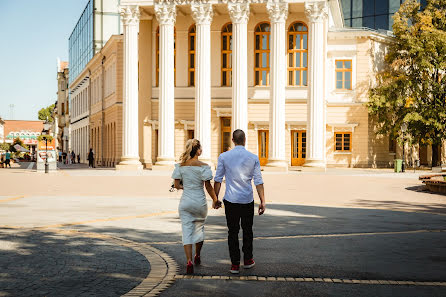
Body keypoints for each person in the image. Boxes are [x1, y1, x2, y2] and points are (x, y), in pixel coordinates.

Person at [214, 129, 266, 274]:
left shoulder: (224, 157)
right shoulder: (253, 157)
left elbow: (218, 179)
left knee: (233, 232)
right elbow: (258, 181)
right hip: (247, 200)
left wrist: (215, 198)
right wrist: (262, 201)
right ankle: (248, 260)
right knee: (248, 231)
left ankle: (235, 264)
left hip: (231, 200)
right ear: (244, 140)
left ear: (233, 140)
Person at [171, 139, 222, 275]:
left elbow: (176, 186)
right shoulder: (204, 166)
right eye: (201, 148)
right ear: (198, 150)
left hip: (185, 202)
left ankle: (188, 261)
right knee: (199, 229)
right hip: (199, 202)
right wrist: (215, 200)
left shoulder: (180, 166)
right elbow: (208, 186)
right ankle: (197, 255)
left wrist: (185, 186)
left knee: (186, 231)